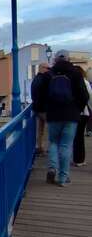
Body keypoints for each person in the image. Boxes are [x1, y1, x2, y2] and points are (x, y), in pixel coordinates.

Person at [44, 50, 89, 187]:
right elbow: (84, 95)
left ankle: (52, 167)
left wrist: (46, 109)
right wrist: (77, 109)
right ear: (68, 59)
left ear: (55, 60)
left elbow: (41, 95)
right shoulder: (76, 73)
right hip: (71, 115)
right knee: (65, 145)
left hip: (53, 115)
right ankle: (63, 178)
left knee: (53, 142)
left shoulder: (48, 74)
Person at [72, 66, 92, 166]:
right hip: (83, 113)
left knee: (75, 136)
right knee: (80, 137)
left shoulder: (70, 82)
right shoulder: (85, 82)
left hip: (71, 113)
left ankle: (76, 158)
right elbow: (90, 97)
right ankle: (80, 160)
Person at [31, 63, 50, 155]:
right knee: (51, 128)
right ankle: (49, 148)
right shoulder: (44, 79)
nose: (49, 70)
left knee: (40, 129)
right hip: (44, 108)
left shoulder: (35, 79)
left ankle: (39, 147)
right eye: (48, 68)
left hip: (36, 108)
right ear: (42, 68)